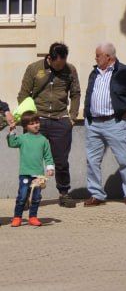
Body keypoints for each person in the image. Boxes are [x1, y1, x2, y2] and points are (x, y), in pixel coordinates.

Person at [83, 42, 126, 207]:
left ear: (108, 56)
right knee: (92, 161)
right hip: (94, 123)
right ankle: (96, 194)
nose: (95, 57)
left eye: (98, 55)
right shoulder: (94, 72)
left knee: (125, 159)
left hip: (115, 122)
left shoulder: (125, 71)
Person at [16, 42, 80, 208]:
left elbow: (75, 93)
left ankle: (64, 194)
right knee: (33, 161)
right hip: (38, 120)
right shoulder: (34, 69)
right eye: (57, 64)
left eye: (63, 63)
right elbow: (23, 95)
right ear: (49, 58)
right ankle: (28, 196)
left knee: (61, 161)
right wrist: (28, 119)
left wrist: (72, 117)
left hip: (60, 120)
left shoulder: (70, 69)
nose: (60, 67)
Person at [8, 112, 54, 227]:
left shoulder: (43, 140)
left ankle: (33, 217)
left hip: (38, 175)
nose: (36, 125)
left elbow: (48, 156)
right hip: (25, 173)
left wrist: (50, 167)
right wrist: (12, 131)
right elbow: (12, 143)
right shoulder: (23, 138)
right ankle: (17, 217)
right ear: (25, 126)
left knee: (36, 197)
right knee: (22, 196)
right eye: (32, 123)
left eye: (37, 122)